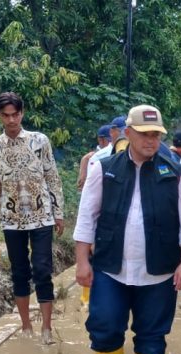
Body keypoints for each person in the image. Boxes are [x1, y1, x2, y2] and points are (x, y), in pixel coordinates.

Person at [75, 105, 181, 354]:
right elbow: (86, 217)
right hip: (110, 266)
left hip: (158, 270)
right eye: (144, 134)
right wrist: (82, 261)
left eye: (156, 134)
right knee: (103, 324)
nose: (151, 140)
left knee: (153, 332)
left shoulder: (176, 172)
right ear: (127, 133)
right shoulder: (104, 168)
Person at [0, 91, 64, 345]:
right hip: (11, 217)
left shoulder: (40, 141)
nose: (11, 120)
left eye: (15, 114)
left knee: (42, 269)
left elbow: (52, 177)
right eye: (6, 115)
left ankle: (47, 329)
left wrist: (59, 212)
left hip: (42, 216)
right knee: (19, 272)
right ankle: (26, 326)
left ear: (22, 113)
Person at [76, 124, 113, 309]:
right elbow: (87, 194)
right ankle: (87, 299)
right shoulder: (96, 159)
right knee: (93, 259)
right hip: (99, 217)